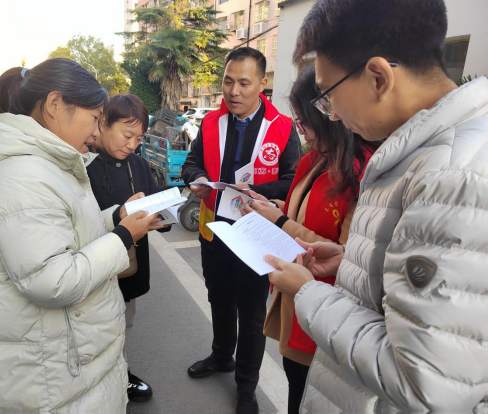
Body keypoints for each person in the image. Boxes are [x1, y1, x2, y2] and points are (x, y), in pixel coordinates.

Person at [265, 0, 488, 412]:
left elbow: (423, 383)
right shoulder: (417, 155)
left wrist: (309, 293)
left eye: (328, 95)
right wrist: (355, 260)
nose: (331, 114)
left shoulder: (452, 176)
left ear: (378, 78)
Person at [0, 58, 158, 413]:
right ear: (54, 104)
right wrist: (123, 236)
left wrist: (116, 217)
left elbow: (67, 231)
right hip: (50, 374)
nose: (96, 132)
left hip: (60, 358)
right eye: (95, 118)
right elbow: (54, 280)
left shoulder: (43, 164)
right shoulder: (21, 176)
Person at [242, 69, 378, 413]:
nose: (300, 129)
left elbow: (350, 254)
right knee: (296, 383)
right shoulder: (314, 160)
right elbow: (298, 212)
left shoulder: (362, 171)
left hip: (327, 306)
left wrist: (280, 221)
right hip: (297, 297)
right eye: (298, 121)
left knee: (310, 393)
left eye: (304, 121)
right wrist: (270, 207)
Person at [182, 47, 302, 414]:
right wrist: (197, 178)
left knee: (251, 315)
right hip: (214, 232)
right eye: (228, 81)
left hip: (256, 238)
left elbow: (293, 181)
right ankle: (221, 356)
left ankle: (246, 386)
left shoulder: (282, 128)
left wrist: (256, 191)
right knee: (219, 300)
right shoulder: (210, 122)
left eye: (244, 83)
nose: (233, 91)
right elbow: (191, 162)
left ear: (262, 84)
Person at [86, 93, 171, 403]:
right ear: (104, 124)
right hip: (94, 266)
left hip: (130, 263)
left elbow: (156, 202)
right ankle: (96, 383)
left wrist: (162, 218)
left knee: (124, 322)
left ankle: (122, 373)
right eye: (127, 135)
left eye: (139, 138)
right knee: (94, 329)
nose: (132, 145)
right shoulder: (83, 163)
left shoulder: (139, 164)